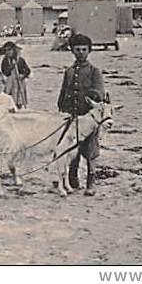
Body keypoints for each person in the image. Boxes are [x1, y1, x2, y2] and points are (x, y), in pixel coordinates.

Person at [56, 33, 105, 196]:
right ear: (72, 50)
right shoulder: (69, 71)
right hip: (72, 117)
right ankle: (73, 180)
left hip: (89, 118)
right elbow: (64, 91)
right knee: (72, 149)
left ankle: (91, 183)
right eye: (77, 49)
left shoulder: (94, 71)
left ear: (89, 51)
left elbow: (100, 93)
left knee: (90, 150)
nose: (81, 53)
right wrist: (62, 107)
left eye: (84, 49)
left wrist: (93, 95)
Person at [0, 41, 31, 109]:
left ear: (13, 50)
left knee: (19, 98)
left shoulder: (20, 60)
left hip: (19, 81)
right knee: (10, 97)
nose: (8, 52)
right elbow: (4, 72)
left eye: (9, 50)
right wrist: (11, 66)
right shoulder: (5, 60)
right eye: (6, 50)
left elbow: (28, 70)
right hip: (10, 82)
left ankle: (19, 108)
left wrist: (23, 75)